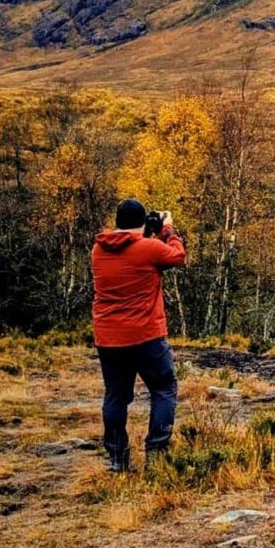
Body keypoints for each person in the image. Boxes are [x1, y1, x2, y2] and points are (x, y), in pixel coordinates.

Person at [91, 198, 187, 473]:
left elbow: (129, 248)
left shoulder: (98, 249)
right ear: (143, 222)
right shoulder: (149, 248)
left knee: (116, 396)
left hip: (109, 338)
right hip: (146, 335)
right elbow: (177, 256)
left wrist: (146, 232)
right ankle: (156, 454)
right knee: (164, 389)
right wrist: (167, 230)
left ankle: (117, 458)